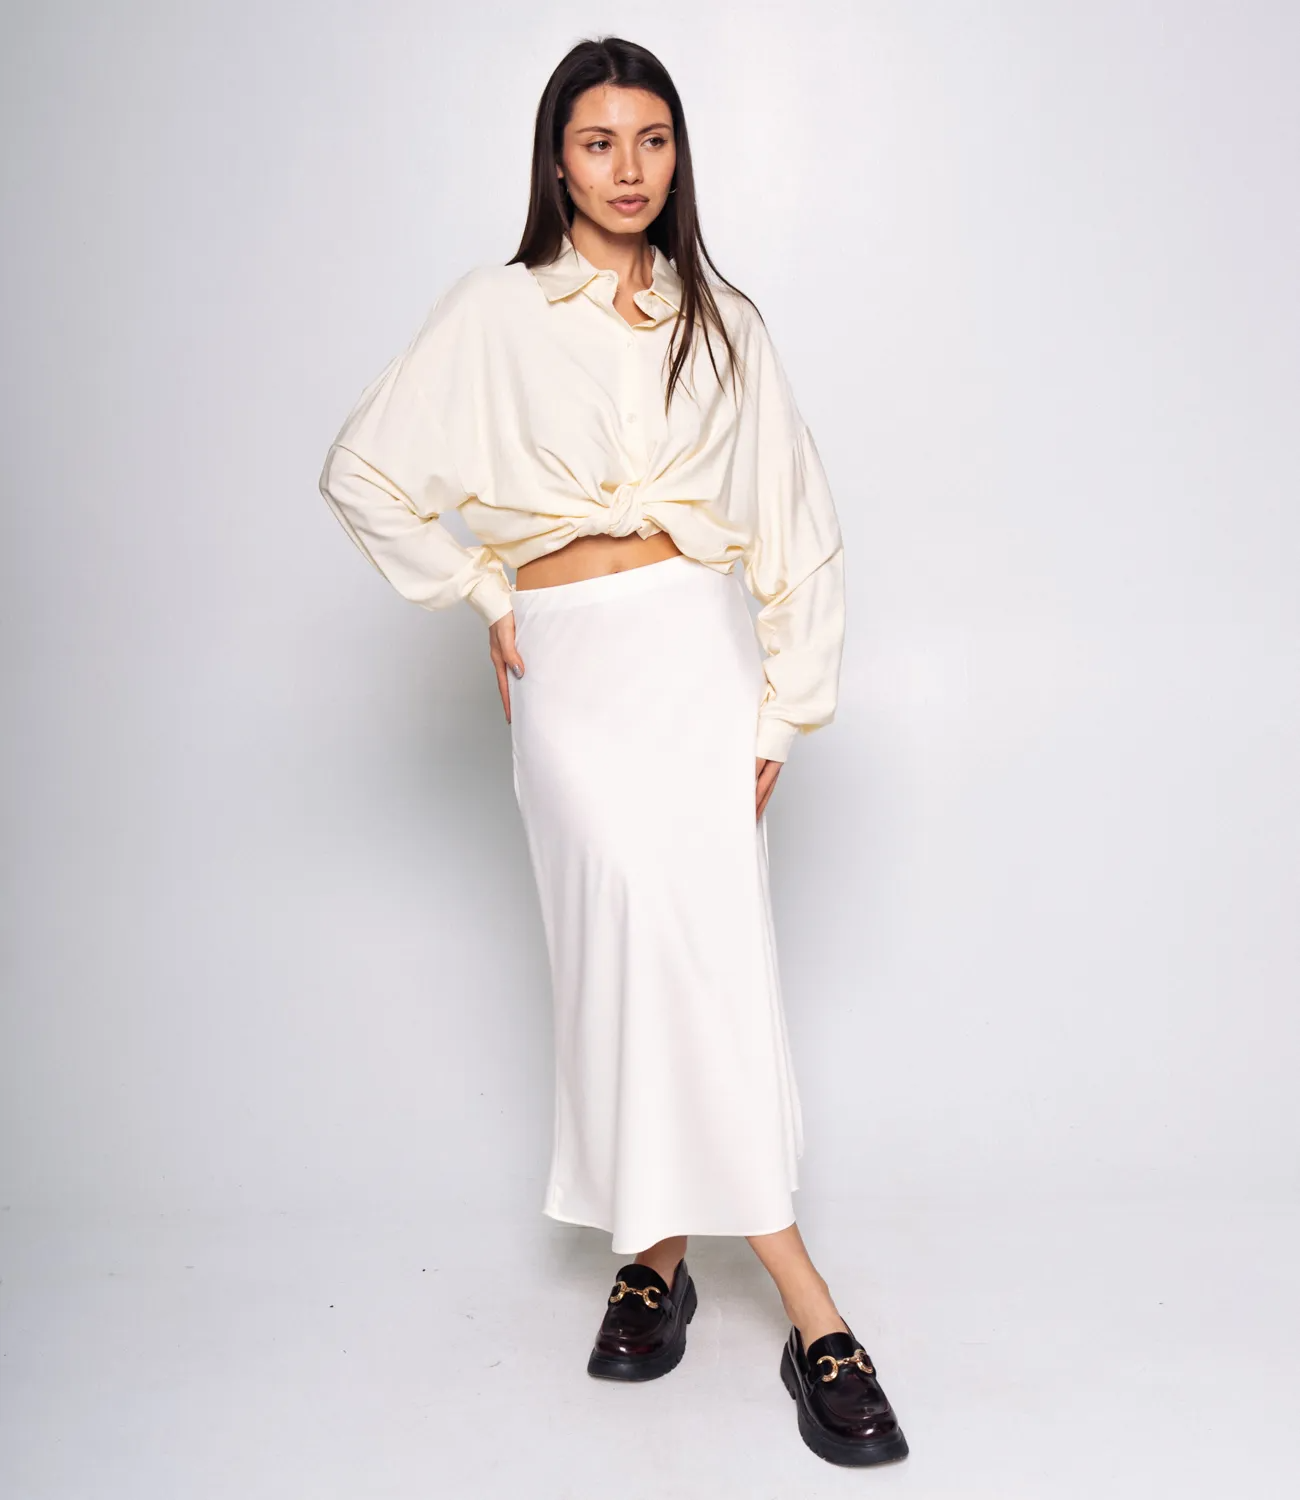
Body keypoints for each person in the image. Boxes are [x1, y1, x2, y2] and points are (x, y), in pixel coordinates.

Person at [317, 34, 908, 1469]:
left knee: (705, 961)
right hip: (574, 678)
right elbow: (365, 471)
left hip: (699, 664)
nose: (629, 168)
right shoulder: (497, 311)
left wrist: (784, 708)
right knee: (624, 954)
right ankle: (780, 1293)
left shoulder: (725, 322)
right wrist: (482, 592)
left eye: (652, 139)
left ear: (677, 154)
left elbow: (799, 523)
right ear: (557, 159)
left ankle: (681, 1263)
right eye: (599, 141)